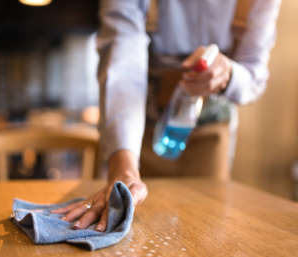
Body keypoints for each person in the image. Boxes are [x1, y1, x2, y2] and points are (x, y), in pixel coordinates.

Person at [52, 0, 281, 231]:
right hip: (139, 131)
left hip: (212, 134)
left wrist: (228, 73)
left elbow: (254, 75)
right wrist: (124, 169)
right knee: (139, 233)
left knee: (207, 231)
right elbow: (123, 59)